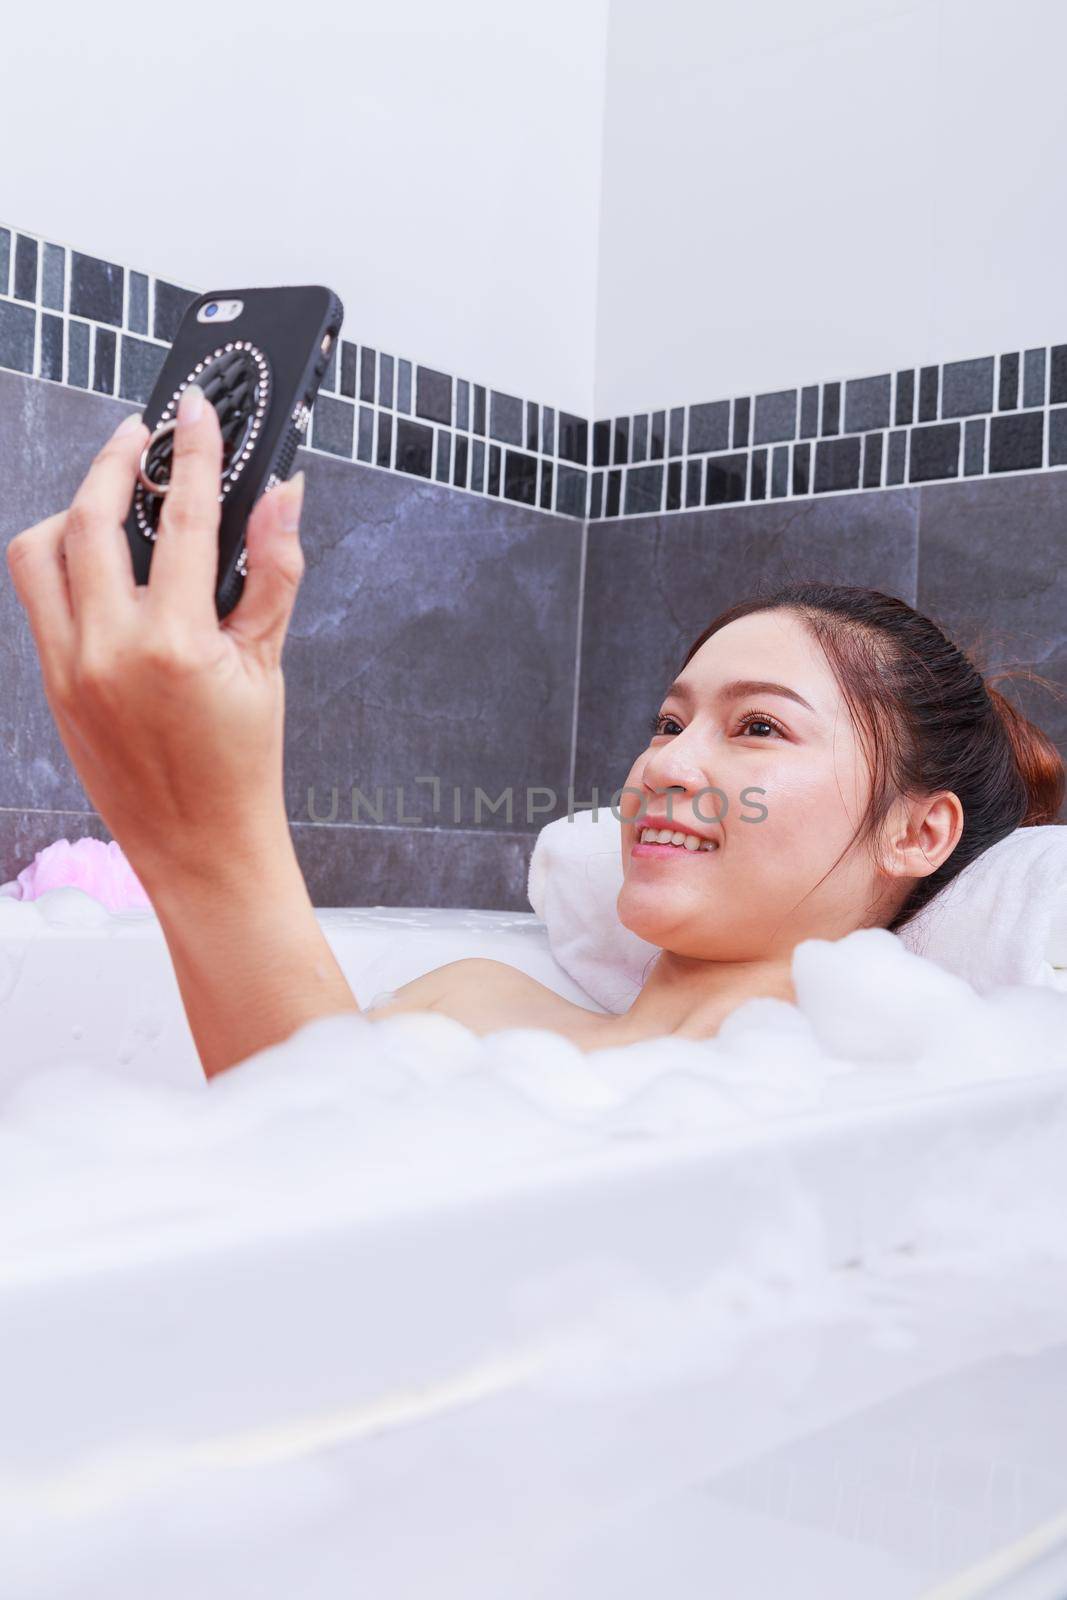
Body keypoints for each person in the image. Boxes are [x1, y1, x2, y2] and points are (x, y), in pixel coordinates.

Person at [7, 392, 1064, 1077]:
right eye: (666, 719)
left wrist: (204, 837)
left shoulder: (866, 1094)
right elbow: (285, 1187)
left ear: (918, 832)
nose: (665, 764)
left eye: (756, 727)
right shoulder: (466, 999)